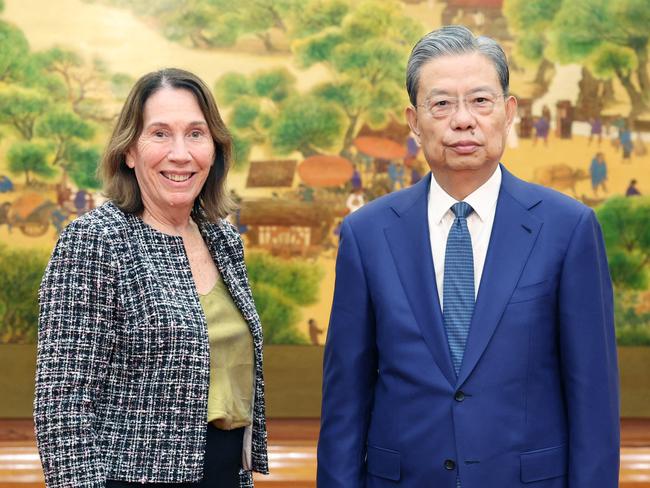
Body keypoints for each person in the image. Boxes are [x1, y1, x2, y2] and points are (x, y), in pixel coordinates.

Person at [318, 25, 619, 487]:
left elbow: (593, 400)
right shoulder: (367, 234)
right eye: (441, 104)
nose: (463, 120)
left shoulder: (567, 228)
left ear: (508, 111)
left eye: (481, 100)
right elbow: (345, 403)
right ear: (414, 121)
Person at [34, 68, 268, 488]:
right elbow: (61, 406)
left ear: (214, 149)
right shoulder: (95, 240)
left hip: (224, 474)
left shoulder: (224, 240)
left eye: (196, 134)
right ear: (129, 151)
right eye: (160, 134)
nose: (180, 153)